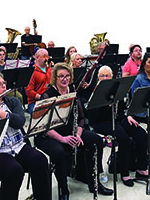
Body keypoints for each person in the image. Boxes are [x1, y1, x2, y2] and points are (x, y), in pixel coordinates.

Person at [35, 63, 113, 199]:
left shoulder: (72, 91)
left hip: (70, 131)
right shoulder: (47, 95)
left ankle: (94, 182)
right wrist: (63, 139)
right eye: (61, 77)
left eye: (67, 76)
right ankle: (64, 189)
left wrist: (78, 134)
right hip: (50, 135)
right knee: (58, 152)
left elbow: (81, 118)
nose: (64, 79)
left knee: (96, 140)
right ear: (55, 78)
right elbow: (43, 127)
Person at [0, 73, 50, 200]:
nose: (4, 86)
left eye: (4, 83)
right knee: (14, 171)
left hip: (17, 146)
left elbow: (19, 122)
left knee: (40, 160)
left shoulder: (13, 102)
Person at [85, 66, 148, 187]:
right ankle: (124, 173)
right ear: (98, 77)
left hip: (117, 118)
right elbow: (93, 115)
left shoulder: (116, 87)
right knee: (125, 140)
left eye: (107, 75)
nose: (104, 78)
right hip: (102, 122)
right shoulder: (94, 90)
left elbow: (122, 107)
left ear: (112, 76)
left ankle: (141, 168)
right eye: (102, 76)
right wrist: (107, 105)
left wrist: (128, 116)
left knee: (141, 134)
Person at [25, 48, 51, 114]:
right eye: (44, 56)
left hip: (49, 100)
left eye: (47, 56)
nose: (46, 59)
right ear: (37, 57)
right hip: (34, 102)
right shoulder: (31, 72)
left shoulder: (50, 69)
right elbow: (29, 91)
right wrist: (42, 98)